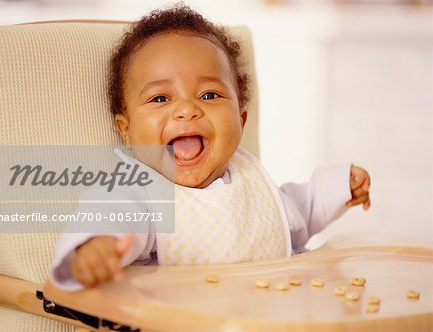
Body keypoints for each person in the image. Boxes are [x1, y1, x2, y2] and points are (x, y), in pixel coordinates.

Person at [51, 4, 371, 290]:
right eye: (160, 98)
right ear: (127, 130)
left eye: (209, 95)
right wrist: (97, 248)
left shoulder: (252, 183)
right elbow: (113, 217)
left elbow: (300, 210)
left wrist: (339, 186)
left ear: (241, 121)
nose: (187, 109)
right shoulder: (140, 191)